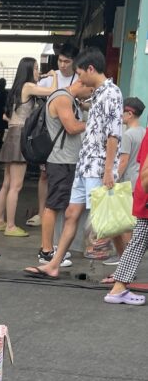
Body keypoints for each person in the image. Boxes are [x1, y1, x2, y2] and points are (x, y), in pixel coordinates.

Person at [25, 48, 125, 279]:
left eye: (81, 74)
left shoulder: (111, 93)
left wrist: (109, 170)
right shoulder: (99, 93)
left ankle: (123, 271)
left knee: (108, 221)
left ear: (91, 69)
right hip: (85, 164)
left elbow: (113, 135)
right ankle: (54, 264)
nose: (80, 79)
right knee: (72, 213)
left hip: (99, 166)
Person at [34, 78, 91, 267]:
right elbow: (72, 127)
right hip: (61, 161)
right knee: (53, 205)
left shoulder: (71, 100)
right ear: (82, 83)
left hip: (67, 161)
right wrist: (94, 123)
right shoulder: (62, 98)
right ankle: (46, 251)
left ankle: (51, 248)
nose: (90, 95)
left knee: (60, 204)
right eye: (90, 90)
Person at [0, 57, 51, 237]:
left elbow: (5, 116)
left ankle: (0, 221)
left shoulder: (17, 89)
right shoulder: (28, 86)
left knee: (7, 183)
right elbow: (53, 91)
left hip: (12, 134)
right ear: (27, 70)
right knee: (16, 186)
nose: (37, 71)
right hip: (20, 136)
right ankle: (10, 226)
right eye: (35, 68)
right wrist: (53, 75)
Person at [28, 43, 79, 227]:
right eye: (60, 60)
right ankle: (43, 212)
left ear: (75, 62)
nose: (63, 65)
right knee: (44, 176)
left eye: (67, 61)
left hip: (72, 139)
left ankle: (63, 214)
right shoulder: (51, 78)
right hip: (50, 137)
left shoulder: (79, 79)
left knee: (69, 177)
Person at [104, 131, 148, 306]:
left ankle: (119, 288)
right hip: (146, 198)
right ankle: (118, 288)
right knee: (137, 243)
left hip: (144, 197)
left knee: (137, 243)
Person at [117, 97, 146, 190]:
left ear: (129, 114)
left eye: (121, 111)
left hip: (128, 183)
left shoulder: (127, 135)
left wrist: (113, 180)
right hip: (140, 181)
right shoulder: (144, 132)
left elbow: (123, 162)